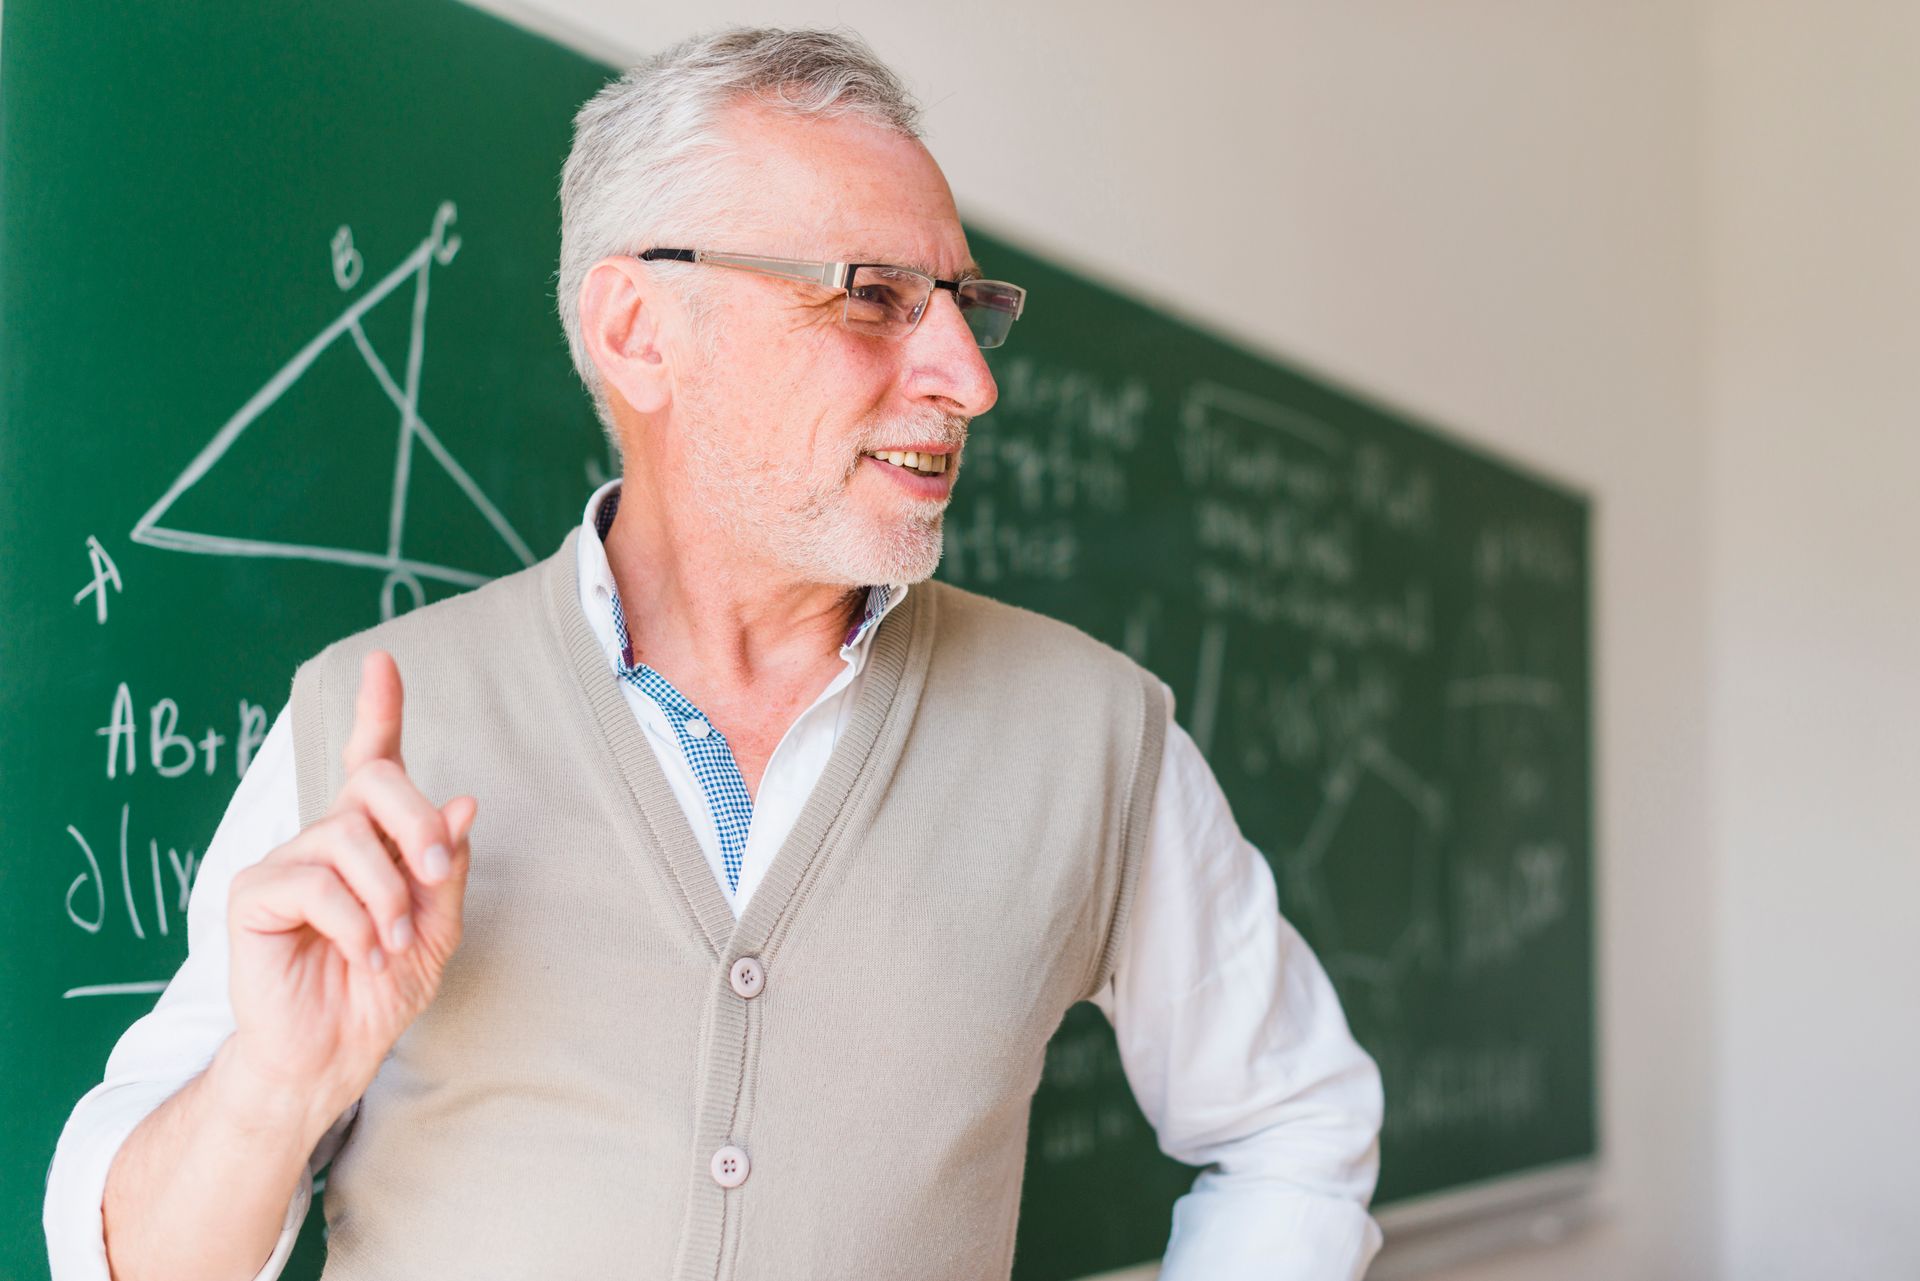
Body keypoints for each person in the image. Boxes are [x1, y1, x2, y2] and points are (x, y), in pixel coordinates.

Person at [45, 26, 1384, 1281]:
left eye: (965, 303)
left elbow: (1295, 1128)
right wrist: (273, 1091)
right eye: (874, 297)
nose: (969, 378)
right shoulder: (371, 722)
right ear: (640, 332)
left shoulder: (1093, 733)